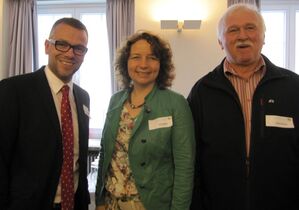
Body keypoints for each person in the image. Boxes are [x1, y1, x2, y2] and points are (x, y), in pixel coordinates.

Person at [188, 3, 299, 210]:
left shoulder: (293, 87)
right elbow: (192, 159)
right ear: (220, 41)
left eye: (250, 27)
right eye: (232, 30)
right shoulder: (202, 91)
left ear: (263, 37)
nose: (242, 35)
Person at [95, 31, 195, 210]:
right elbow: (105, 154)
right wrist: (100, 200)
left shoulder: (176, 104)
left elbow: (185, 167)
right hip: (111, 202)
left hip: (150, 204)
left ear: (161, 64)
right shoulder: (115, 101)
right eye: (136, 57)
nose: (143, 64)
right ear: (126, 63)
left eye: (152, 57)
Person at [0, 17, 90, 210]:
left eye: (79, 48)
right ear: (47, 46)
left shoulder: (83, 98)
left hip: (74, 204)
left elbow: (78, 160)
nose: (70, 53)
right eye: (62, 44)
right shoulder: (13, 90)